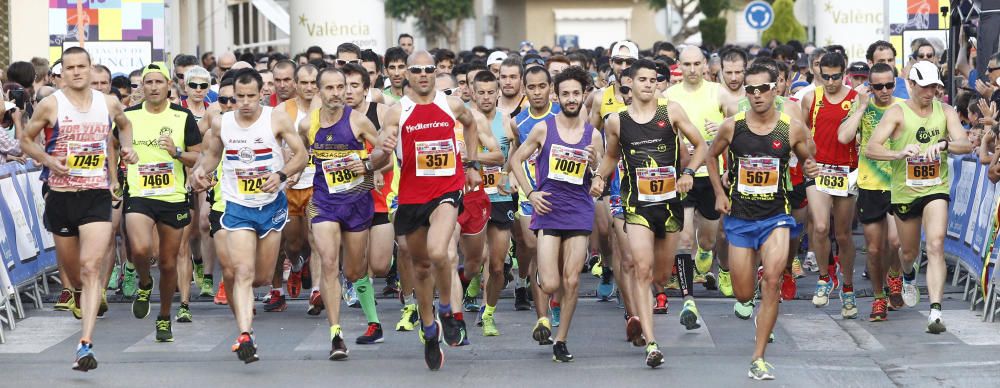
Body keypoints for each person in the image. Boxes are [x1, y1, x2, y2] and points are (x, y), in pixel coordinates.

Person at [17, 46, 138, 371]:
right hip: (61, 196)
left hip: (96, 195)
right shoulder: (51, 104)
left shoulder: (108, 102)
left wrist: (126, 149)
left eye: (81, 66)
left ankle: (85, 344)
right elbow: (25, 140)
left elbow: (124, 126)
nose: (76, 72)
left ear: (90, 67)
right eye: (69, 67)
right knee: (74, 275)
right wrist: (47, 159)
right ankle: (82, 295)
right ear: (63, 72)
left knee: (90, 265)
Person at [591, 59, 707, 367]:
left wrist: (690, 172)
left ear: (658, 83)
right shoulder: (616, 121)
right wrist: (600, 177)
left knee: (658, 275)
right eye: (641, 79)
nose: (647, 84)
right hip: (636, 206)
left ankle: (652, 307)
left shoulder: (671, 112)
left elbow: (701, 144)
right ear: (629, 83)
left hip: (669, 206)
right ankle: (652, 343)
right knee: (641, 268)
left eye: (652, 79)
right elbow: (612, 156)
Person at [707, 63, 819, 380]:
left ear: (775, 89)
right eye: (750, 90)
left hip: (776, 216)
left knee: (772, 282)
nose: (757, 95)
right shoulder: (733, 126)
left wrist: (810, 165)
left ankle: (758, 357)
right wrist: (719, 192)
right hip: (740, 218)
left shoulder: (790, 126)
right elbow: (710, 157)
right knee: (743, 295)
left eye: (762, 89)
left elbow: (806, 153)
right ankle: (752, 289)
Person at [190, 68, 308, 363]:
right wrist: (201, 172)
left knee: (262, 277)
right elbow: (212, 155)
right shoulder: (221, 123)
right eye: (238, 97)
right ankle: (245, 333)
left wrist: (280, 174)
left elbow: (302, 155)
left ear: (260, 95)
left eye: (250, 96)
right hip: (237, 205)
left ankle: (252, 307)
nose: (244, 103)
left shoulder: (276, 118)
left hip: (270, 206)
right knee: (242, 271)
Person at [376, 50, 482, 370]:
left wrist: (473, 164)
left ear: (436, 72)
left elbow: (471, 125)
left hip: (446, 190)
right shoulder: (397, 111)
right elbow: (382, 153)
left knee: (440, 253)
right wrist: (381, 154)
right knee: (421, 268)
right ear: (406, 74)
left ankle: (448, 309)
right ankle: (429, 326)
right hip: (410, 198)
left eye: (429, 69)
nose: (423, 74)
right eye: (417, 70)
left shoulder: (451, 104)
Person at [865, 61, 972, 334]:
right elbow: (872, 148)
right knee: (909, 251)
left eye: (935, 87)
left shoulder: (945, 111)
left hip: (935, 188)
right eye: (924, 87)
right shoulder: (896, 113)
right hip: (905, 190)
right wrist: (897, 154)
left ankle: (935, 310)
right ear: (911, 84)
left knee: (935, 244)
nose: (930, 92)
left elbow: (965, 143)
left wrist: (944, 144)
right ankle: (907, 273)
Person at [509, 66, 604, 362]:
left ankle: (561, 339)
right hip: (549, 209)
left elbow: (599, 180)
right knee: (551, 283)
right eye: (566, 93)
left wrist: (594, 170)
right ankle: (541, 295)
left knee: (572, 280)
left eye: (576, 93)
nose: (572, 98)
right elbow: (515, 159)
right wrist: (531, 192)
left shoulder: (593, 135)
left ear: (583, 95)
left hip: (578, 210)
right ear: (556, 95)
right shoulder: (543, 128)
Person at [299, 67, 390, 359]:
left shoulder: (359, 121)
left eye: (341, 87)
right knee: (327, 262)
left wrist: (365, 165)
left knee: (354, 271)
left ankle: (350, 288)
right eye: (330, 88)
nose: (337, 93)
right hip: (324, 202)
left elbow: (385, 156)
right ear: (318, 90)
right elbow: (303, 153)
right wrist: (292, 170)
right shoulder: (307, 124)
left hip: (357, 202)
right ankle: (336, 335)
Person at [120, 63, 202, 340]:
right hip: (139, 194)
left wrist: (177, 152)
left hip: (173, 196)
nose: (153, 87)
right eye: (148, 82)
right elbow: (112, 146)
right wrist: (115, 169)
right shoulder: (128, 116)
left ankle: (164, 317)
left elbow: (198, 157)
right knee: (141, 250)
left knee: (168, 263)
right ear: (142, 86)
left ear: (169, 85)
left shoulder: (182, 116)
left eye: (159, 81)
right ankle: (144, 282)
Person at [836, 63, 905, 320]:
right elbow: (843, 137)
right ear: (870, 86)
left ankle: (895, 276)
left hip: (899, 184)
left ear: (895, 83)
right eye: (878, 86)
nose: (884, 90)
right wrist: (862, 105)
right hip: (870, 185)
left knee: (896, 241)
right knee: (874, 250)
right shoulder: (861, 106)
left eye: (889, 84)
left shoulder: (902, 107)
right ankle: (878, 297)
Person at [799, 51, 862, 318]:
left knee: (844, 234)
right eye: (826, 77)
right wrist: (805, 160)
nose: (831, 81)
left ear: (843, 72)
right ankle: (825, 278)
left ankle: (847, 286)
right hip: (818, 170)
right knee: (821, 226)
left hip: (847, 171)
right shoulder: (811, 97)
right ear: (818, 73)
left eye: (836, 76)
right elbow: (799, 134)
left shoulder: (855, 98)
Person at [342, 63, 394, 343]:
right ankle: (374, 324)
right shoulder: (334, 117)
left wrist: (374, 170)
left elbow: (391, 153)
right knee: (357, 268)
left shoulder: (381, 113)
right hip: (349, 200)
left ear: (366, 88)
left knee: (381, 265)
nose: (348, 91)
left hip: (380, 197)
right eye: (343, 86)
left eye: (353, 85)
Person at [265, 64, 319, 312]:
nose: (309, 87)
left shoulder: (327, 108)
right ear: (296, 84)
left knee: (318, 239)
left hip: (318, 184)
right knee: (290, 243)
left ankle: (316, 293)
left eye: (313, 82)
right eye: (304, 82)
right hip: (289, 185)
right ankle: (294, 269)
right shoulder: (281, 111)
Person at [508, 66, 560, 321]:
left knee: (558, 257)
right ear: (524, 89)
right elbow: (515, 155)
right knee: (538, 251)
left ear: (550, 87)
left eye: (542, 86)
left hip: (563, 196)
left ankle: (557, 300)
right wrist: (513, 178)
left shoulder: (563, 114)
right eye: (532, 87)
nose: (537, 92)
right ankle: (542, 318)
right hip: (531, 197)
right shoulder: (518, 122)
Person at [470, 70, 518, 336]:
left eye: (491, 92)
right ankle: (472, 283)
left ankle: (488, 313)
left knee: (497, 264)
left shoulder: (506, 120)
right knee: (476, 258)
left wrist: (509, 174)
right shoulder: (464, 118)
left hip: (499, 196)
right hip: (472, 195)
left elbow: (515, 153)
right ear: (473, 93)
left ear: (497, 93)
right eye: (482, 93)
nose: (487, 97)